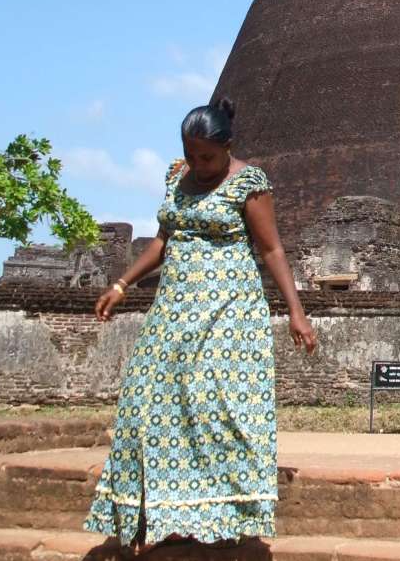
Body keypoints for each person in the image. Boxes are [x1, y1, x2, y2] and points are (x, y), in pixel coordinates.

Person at [85, 99, 319, 554]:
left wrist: (296, 310)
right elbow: (163, 240)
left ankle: (222, 514)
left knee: (213, 408)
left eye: (207, 157)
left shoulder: (249, 182)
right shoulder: (178, 178)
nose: (199, 165)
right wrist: (122, 283)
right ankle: (161, 514)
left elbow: (271, 249)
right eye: (192, 156)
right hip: (174, 308)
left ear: (227, 146)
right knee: (150, 400)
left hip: (228, 311)